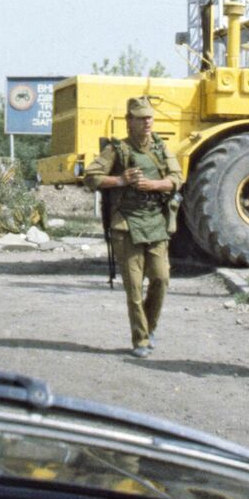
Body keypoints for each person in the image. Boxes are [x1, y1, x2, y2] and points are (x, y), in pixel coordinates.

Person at [83, 96, 181, 357]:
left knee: (161, 279)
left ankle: (150, 328)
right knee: (134, 288)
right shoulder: (117, 150)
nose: (147, 121)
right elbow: (90, 177)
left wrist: (155, 185)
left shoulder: (161, 148)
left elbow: (177, 179)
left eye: (150, 117)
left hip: (156, 222)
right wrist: (120, 180)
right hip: (126, 224)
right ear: (129, 121)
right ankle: (140, 339)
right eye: (141, 118)